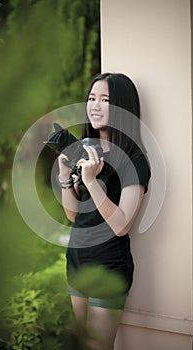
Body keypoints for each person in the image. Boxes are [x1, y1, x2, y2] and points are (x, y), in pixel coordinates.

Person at [57, 73, 150, 350]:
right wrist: (65, 175)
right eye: (91, 98)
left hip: (108, 267)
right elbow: (74, 216)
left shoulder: (135, 160)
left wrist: (91, 182)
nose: (95, 105)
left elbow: (121, 225)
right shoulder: (88, 150)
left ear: (122, 107)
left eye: (105, 100)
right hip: (77, 260)